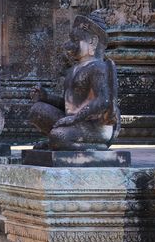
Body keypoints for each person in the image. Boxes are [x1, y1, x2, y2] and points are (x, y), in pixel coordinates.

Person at [28, 14, 119, 150]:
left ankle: (92, 146)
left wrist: (75, 118)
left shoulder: (98, 67)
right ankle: (60, 141)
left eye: (75, 40)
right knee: (36, 111)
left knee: (59, 136)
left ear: (93, 42)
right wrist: (46, 97)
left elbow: (103, 101)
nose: (69, 45)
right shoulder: (73, 70)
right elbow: (68, 105)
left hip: (94, 126)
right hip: (75, 123)